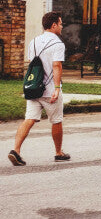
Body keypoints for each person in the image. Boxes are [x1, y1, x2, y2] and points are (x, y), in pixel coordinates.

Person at [8, 11, 70, 166]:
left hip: (34, 88)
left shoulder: (33, 42)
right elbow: (57, 65)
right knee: (56, 120)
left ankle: (15, 150)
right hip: (49, 90)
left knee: (29, 119)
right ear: (54, 25)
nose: (62, 26)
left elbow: (32, 64)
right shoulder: (58, 44)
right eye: (60, 23)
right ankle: (58, 152)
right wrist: (56, 88)